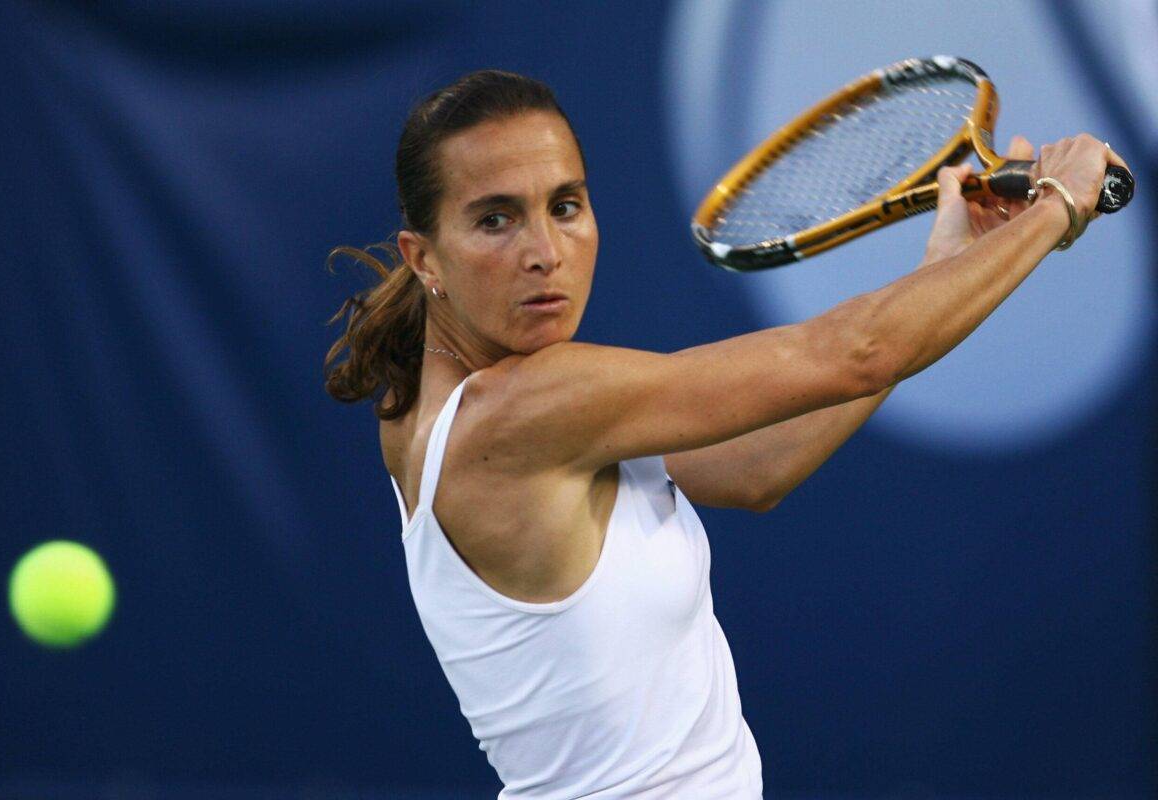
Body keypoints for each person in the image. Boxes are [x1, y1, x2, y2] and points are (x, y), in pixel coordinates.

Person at [323, 70, 1124, 799]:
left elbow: (755, 468)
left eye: (565, 206)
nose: (545, 253)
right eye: (495, 220)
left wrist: (946, 266)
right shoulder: (525, 408)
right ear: (423, 257)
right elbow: (853, 353)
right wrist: (1056, 205)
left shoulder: (438, 407)